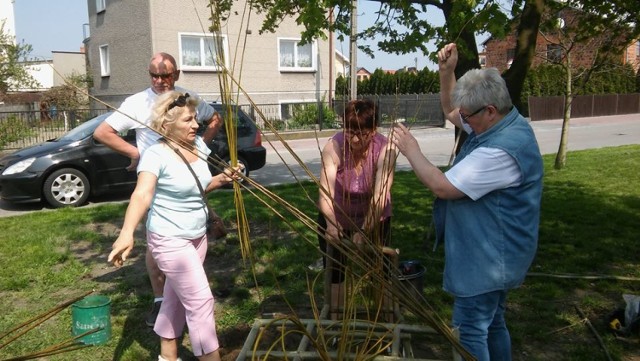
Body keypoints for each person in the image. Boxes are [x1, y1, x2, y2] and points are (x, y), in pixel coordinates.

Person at [390, 43, 543, 360]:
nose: (463, 121)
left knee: (470, 329)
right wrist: (447, 72)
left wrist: (411, 150)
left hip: (489, 260)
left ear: (489, 109)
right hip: (495, 254)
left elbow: (443, 187)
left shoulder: (500, 151)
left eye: (469, 116)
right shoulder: (497, 123)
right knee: (493, 322)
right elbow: (451, 111)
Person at [94, 52, 222, 327]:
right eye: (154, 74)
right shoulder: (137, 102)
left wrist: (201, 148)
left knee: (194, 219)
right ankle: (160, 299)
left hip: (185, 173)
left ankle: (181, 294)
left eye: (166, 74)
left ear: (176, 74)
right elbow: (103, 133)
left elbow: (214, 120)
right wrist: (137, 153)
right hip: (156, 174)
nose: (160, 80)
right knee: (160, 234)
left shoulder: (188, 98)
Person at [107, 91, 237, 361]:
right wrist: (126, 233)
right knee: (201, 302)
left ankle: (167, 357)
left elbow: (200, 187)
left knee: (175, 298)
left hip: (196, 237)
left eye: (195, 119)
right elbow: (142, 194)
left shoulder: (198, 146)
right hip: (168, 239)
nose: (196, 125)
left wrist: (222, 179)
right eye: (188, 120)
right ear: (167, 125)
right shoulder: (155, 154)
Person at [317, 99, 396, 318]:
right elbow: (325, 191)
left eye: (362, 133)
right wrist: (331, 225)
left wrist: (365, 230)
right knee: (336, 273)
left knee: (382, 272)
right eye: (350, 131)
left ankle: (384, 322)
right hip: (337, 217)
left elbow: (381, 195)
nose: (354, 139)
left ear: (374, 129)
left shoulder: (386, 149)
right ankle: (336, 323)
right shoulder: (333, 147)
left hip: (376, 218)